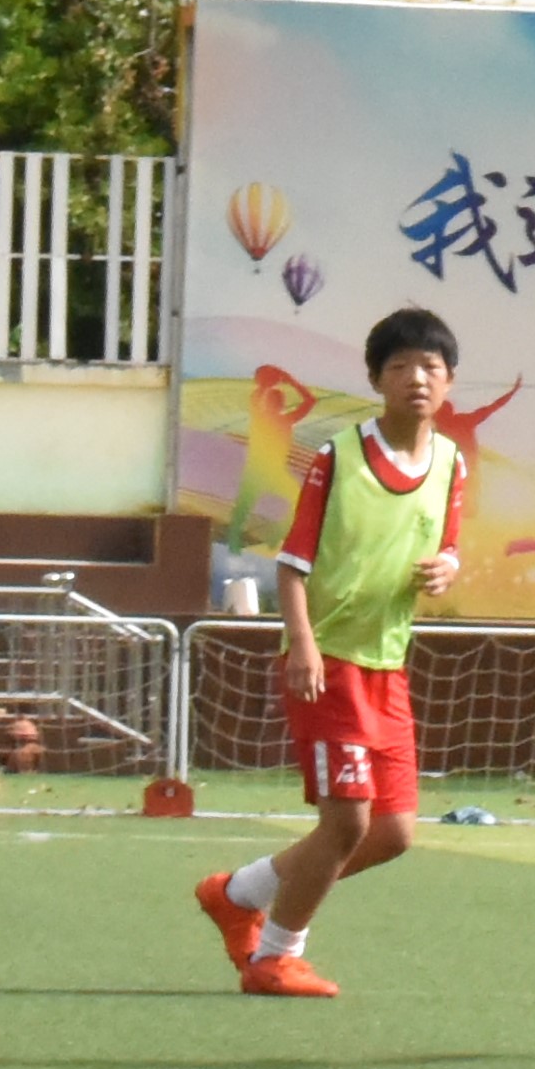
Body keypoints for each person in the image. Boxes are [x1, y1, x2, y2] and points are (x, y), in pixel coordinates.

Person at [192, 305, 470, 999]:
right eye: (400, 366)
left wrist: (447, 568)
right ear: (376, 379)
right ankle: (277, 957)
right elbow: (292, 564)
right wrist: (303, 646)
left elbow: (448, 544)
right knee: (346, 822)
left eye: (430, 367)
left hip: (389, 664)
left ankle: (240, 894)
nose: (416, 378)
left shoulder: (451, 464)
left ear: (449, 381)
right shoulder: (338, 457)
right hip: (332, 664)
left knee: (395, 832)